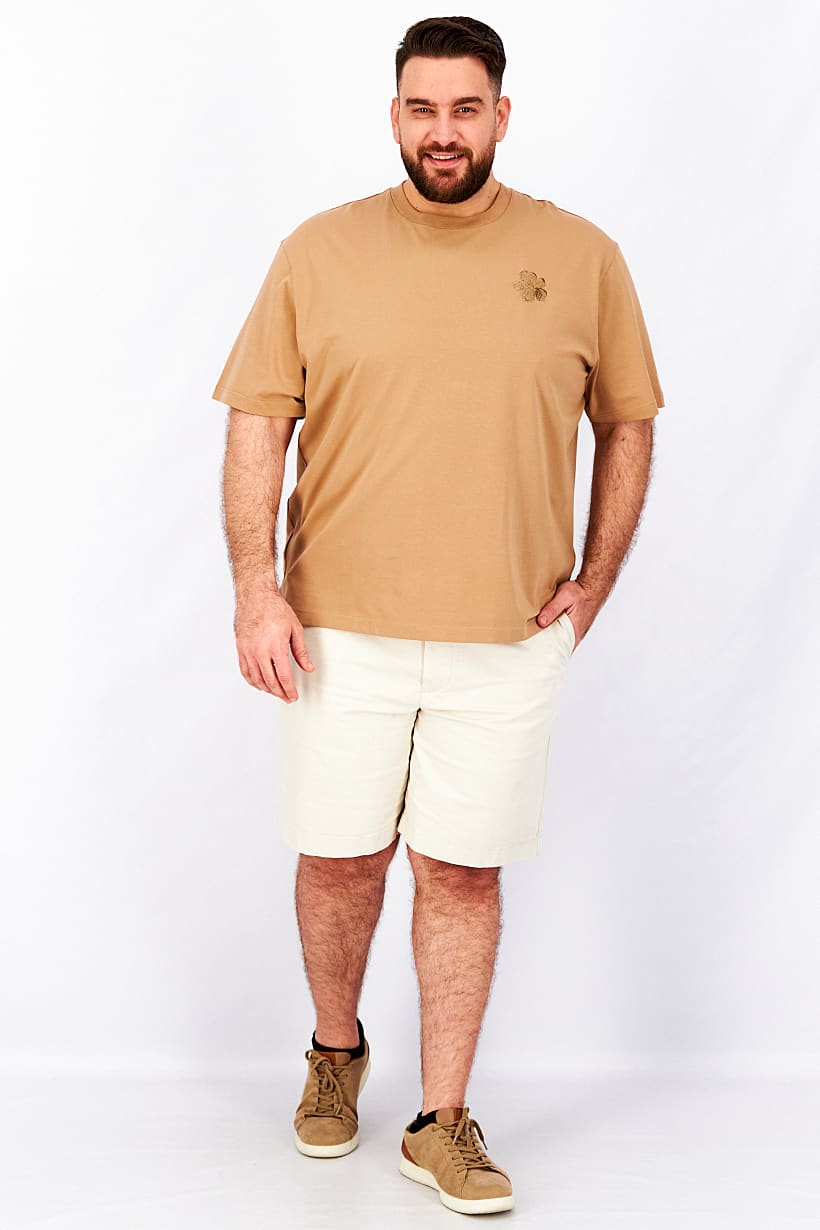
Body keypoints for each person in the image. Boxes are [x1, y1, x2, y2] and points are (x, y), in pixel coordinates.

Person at [210, 14, 664, 1218]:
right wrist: (256, 588)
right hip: (334, 630)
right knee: (339, 859)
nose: (443, 131)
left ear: (501, 115)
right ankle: (335, 1050)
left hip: (506, 636)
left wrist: (594, 582)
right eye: (423, 109)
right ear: (394, 115)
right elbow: (258, 424)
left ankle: (440, 1120)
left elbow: (627, 420)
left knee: (460, 874)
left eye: (466, 109)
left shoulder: (580, 257)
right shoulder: (318, 251)